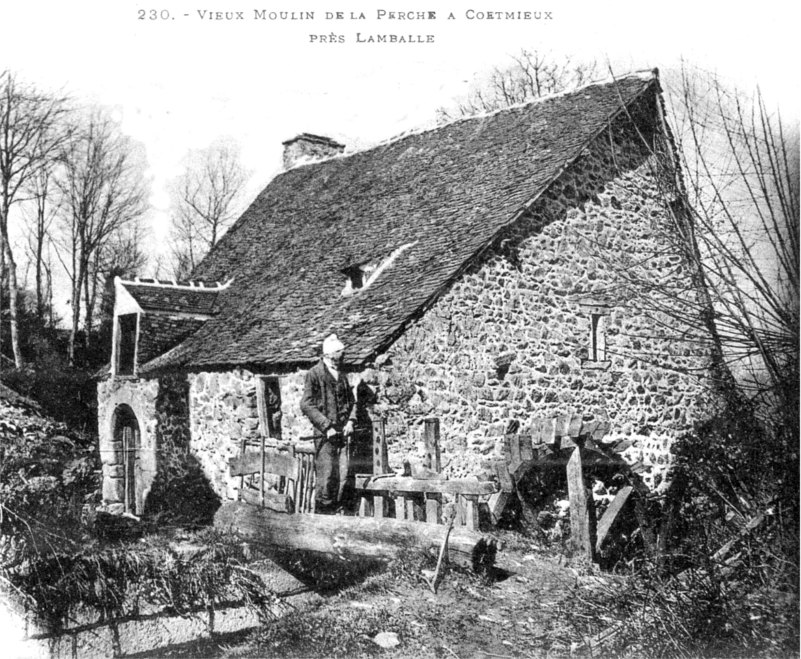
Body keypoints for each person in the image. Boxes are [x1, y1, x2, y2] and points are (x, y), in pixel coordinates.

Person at [300, 334, 357, 514]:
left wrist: (350, 421)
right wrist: (326, 426)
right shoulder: (314, 374)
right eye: (337, 358)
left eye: (341, 359)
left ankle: (337, 517)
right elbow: (306, 404)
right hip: (325, 436)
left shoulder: (342, 375)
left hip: (342, 435)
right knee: (326, 478)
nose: (340, 362)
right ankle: (322, 518)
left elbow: (351, 402)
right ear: (328, 357)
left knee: (342, 476)